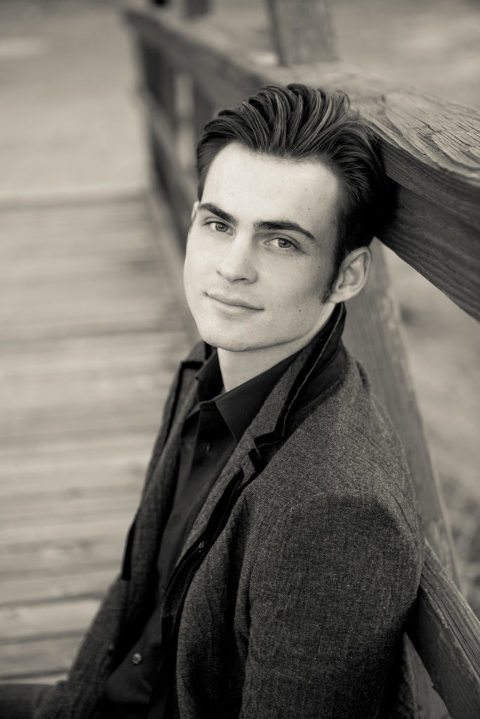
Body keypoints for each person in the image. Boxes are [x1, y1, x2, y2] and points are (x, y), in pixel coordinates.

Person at [2, 83, 423, 718]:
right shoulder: (211, 366)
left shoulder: (335, 512)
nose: (231, 267)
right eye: (219, 224)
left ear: (347, 275)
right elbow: (133, 591)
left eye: (280, 241)